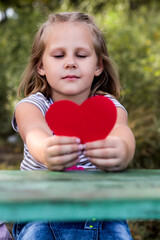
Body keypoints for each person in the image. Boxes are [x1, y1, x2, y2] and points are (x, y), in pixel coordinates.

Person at [12, 12, 135, 240]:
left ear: (98, 65)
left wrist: (122, 151)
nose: (70, 63)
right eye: (59, 56)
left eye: (81, 55)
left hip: (104, 215)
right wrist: (47, 150)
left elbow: (122, 131)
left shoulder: (109, 107)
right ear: (41, 66)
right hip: (41, 212)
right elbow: (34, 132)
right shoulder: (31, 106)